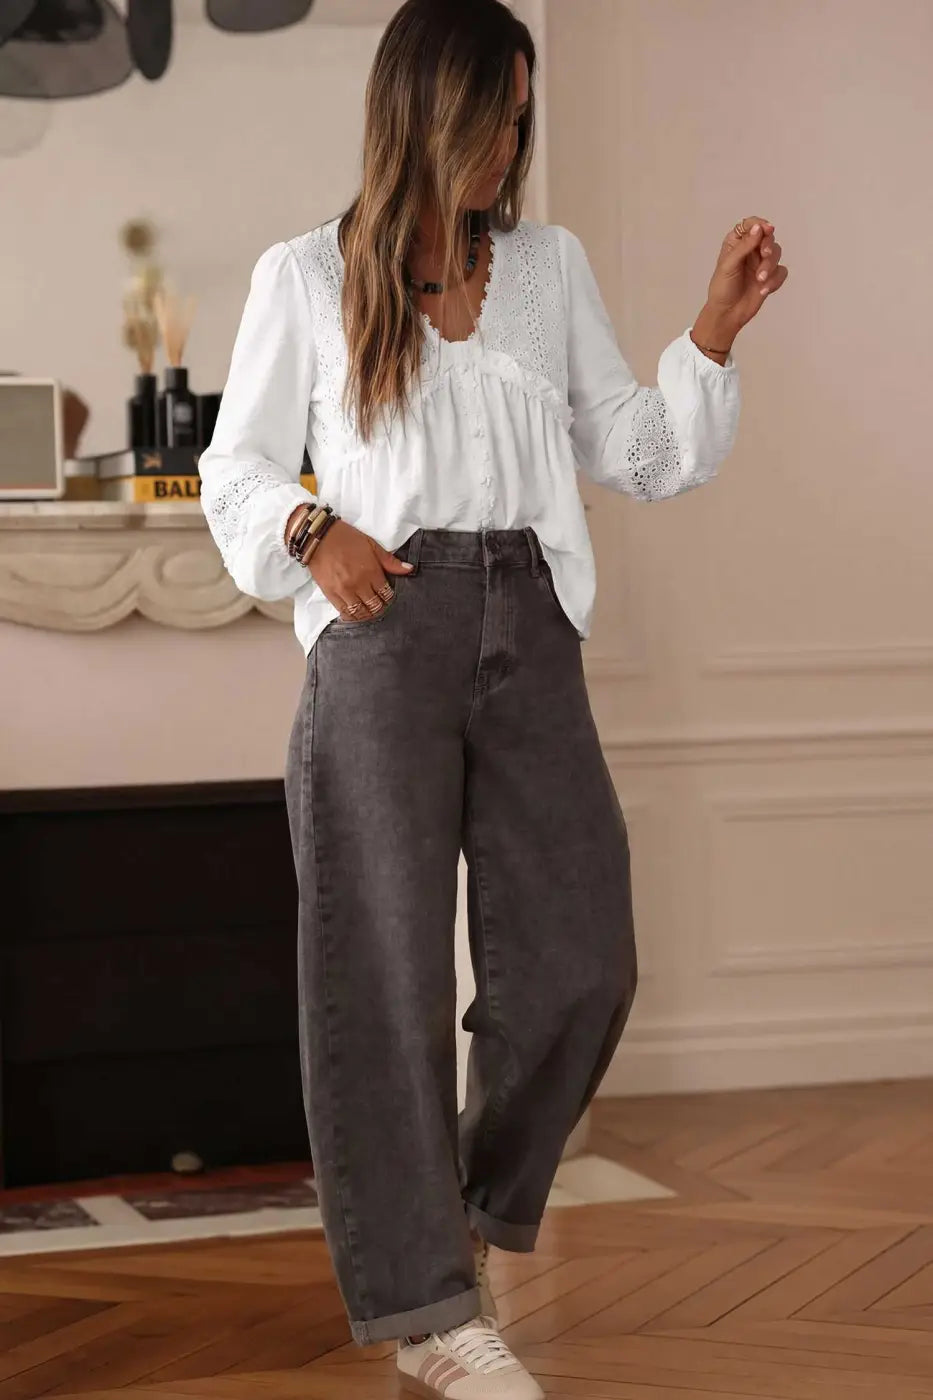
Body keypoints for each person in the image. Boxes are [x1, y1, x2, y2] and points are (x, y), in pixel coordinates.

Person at [197, 1, 787, 1393]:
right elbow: (231, 468)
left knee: (582, 965)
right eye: (492, 117)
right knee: (381, 978)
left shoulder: (543, 269)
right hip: (382, 636)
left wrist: (708, 331)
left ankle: (449, 1222)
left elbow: (633, 455)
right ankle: (430, 1317)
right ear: (423, 112)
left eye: (522, 119)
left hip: (531, 623)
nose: (509, 147)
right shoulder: (303, 277)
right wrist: (306, 531)